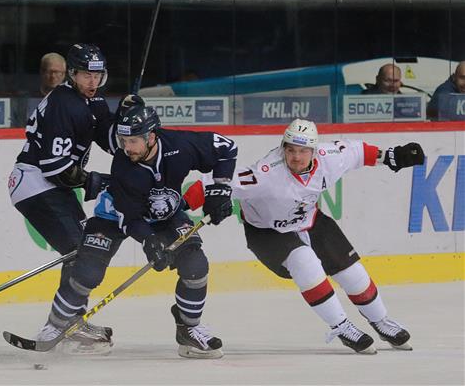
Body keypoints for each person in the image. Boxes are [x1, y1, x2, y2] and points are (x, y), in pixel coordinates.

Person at [229, 119, 424, 354]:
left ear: (314, 151)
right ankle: (341, 326)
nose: (296, 157)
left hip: (310, 220)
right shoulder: (266, 172)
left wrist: (391, 156)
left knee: (354, 274)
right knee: (305, 262)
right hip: (268, 232)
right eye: (290, 150)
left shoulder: (329, 156)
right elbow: (216, 184)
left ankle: (381, 321)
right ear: (283, 148)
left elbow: (359, 152)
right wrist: (211, 198)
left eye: (303, 151)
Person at [68, 105, 237, 359]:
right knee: (88, 270)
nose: (127, 147)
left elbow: (226, 147)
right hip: (117, 216)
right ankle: (63, 325)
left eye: (133, 141)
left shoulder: (180, 145)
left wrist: (221, 188)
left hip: (165, 214)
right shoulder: (124, 166)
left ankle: (188, 330)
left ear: (151, 136)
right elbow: (129, 217)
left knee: (195, 265)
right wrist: (149, 241)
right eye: (123, 140)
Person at [7, 44, 138, 351]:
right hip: (37, 183)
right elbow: (56, 168)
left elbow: (109, 140)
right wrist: (99, 182)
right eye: (85, 75)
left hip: (48, 184)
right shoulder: (64, 104)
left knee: (82, 248)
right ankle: (62, 324)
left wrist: (127, 115)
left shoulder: (89, 100)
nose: (92, 82)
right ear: (72, 75)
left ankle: (70, 320)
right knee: (82, 249)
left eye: (97, 75)